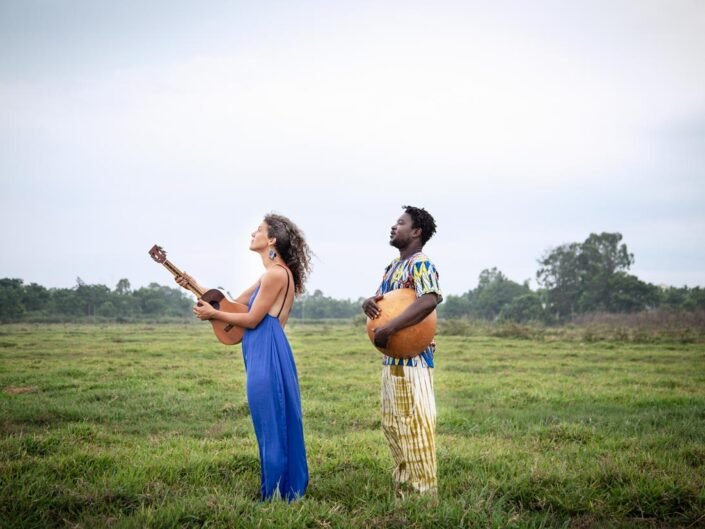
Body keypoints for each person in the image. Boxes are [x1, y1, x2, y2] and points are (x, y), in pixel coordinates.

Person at [175, 213, 311, 501]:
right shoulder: (272, 274)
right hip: (263, 348)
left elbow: (250, 319)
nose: (252, 234)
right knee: (270, 421)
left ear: (271, 240)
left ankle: (277, 493)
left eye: (258, 230)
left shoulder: (276, 274)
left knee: (271, 422)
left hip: (267, 350)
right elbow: (234, 305)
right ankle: (280, 488)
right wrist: (194, 285)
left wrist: (211, 314)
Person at [362, 205, 442, 498]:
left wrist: (390, 328)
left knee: (416, 424)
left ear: (416, 231)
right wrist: (368, 303)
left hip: (414, 360)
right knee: (393, 424)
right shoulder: (393, 267)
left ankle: (424, 494)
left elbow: (429, 299)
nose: (394, 227)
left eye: (401, 223)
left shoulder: (421, 264)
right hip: (391, 357)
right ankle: (404, 487)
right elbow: (388, 303)